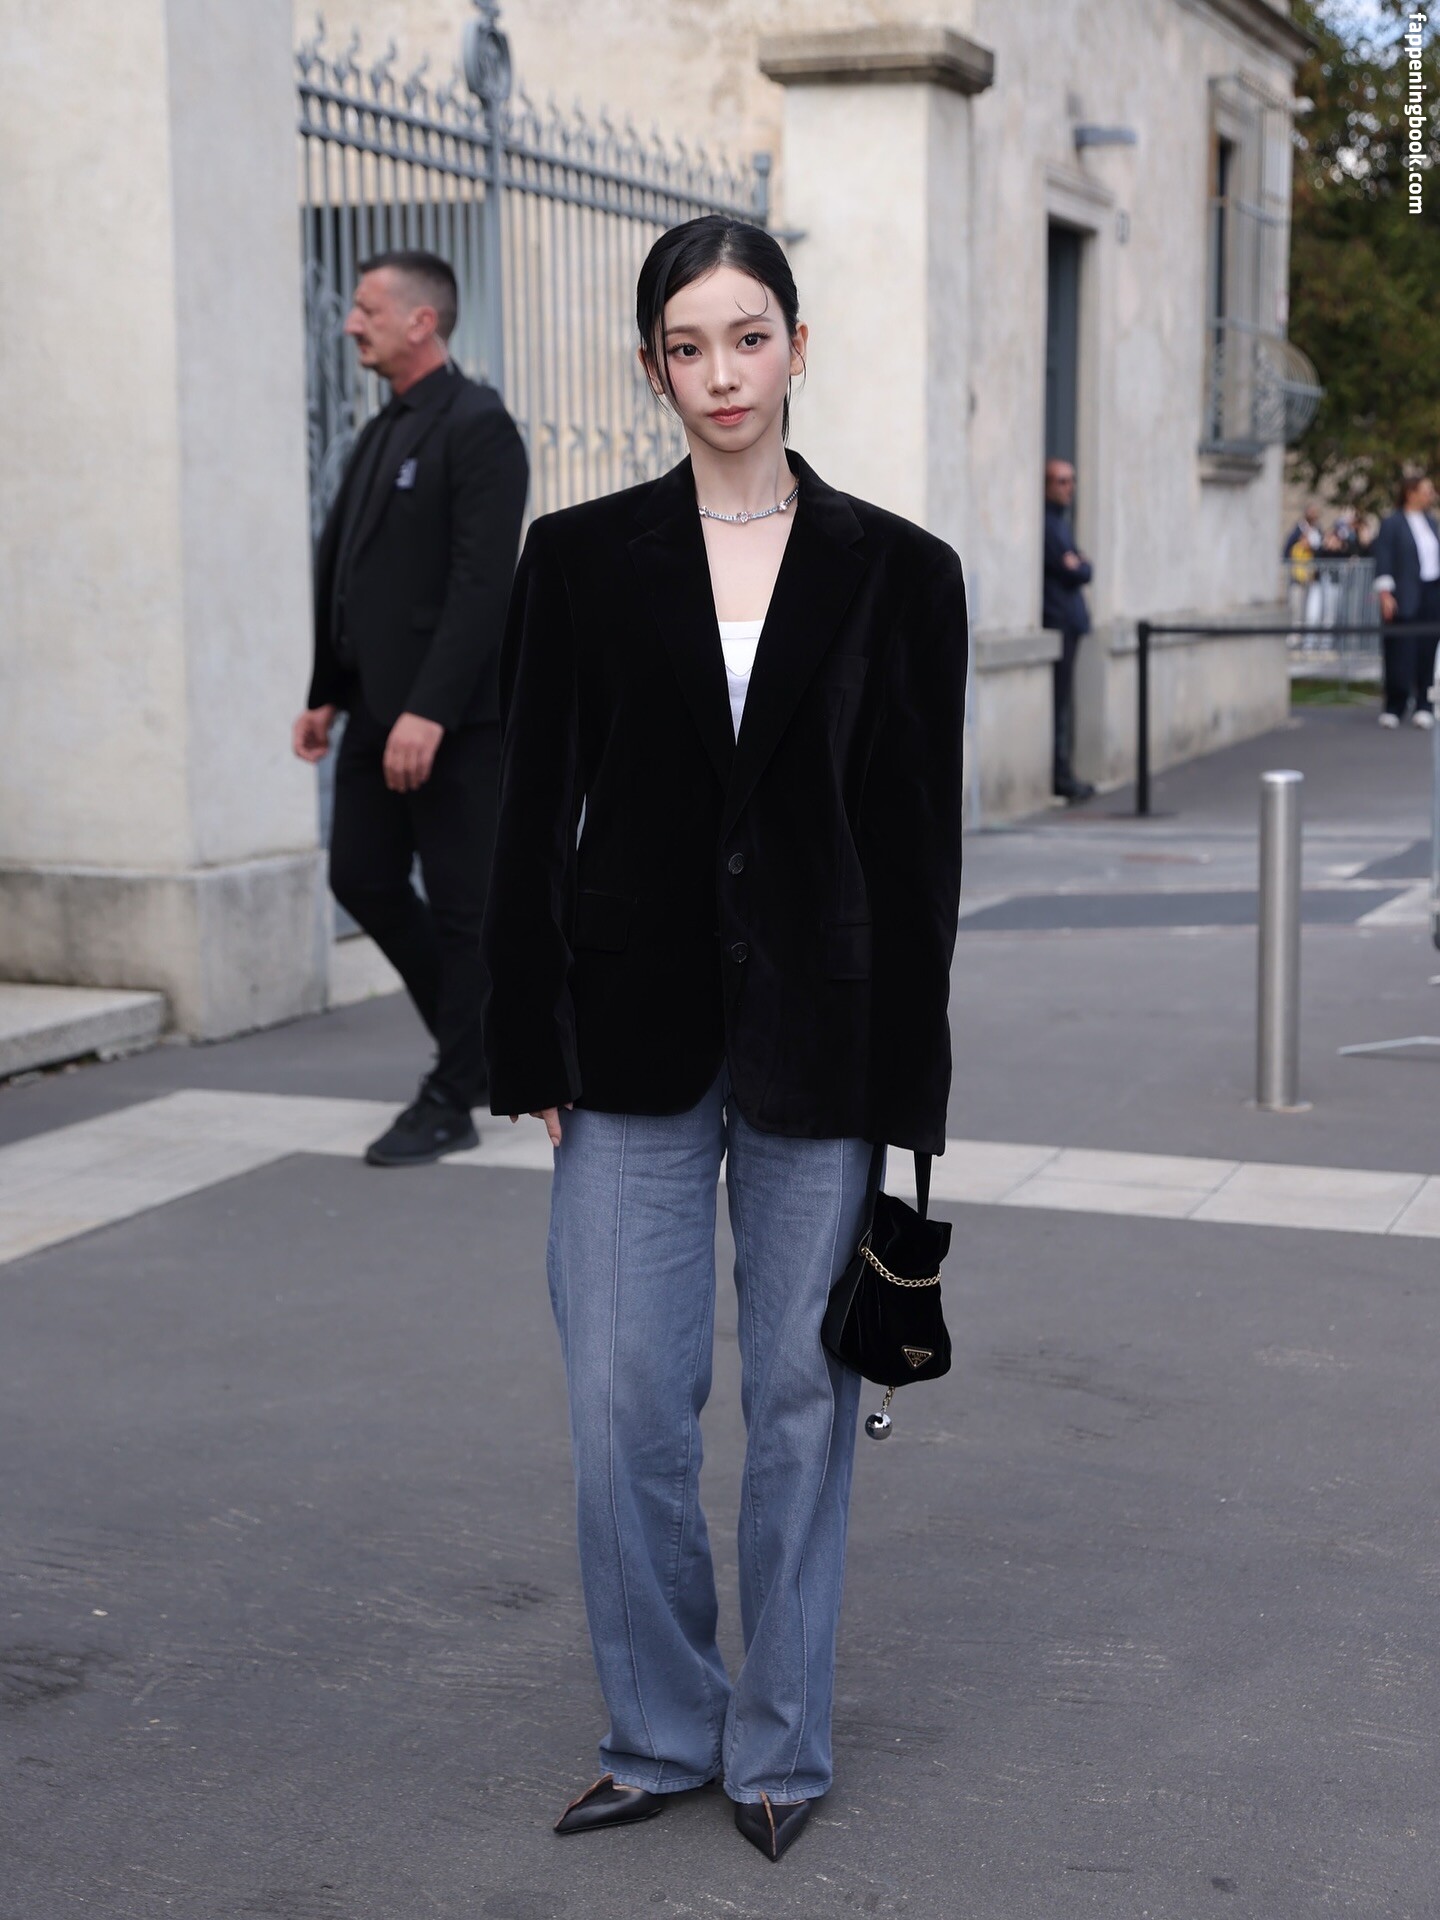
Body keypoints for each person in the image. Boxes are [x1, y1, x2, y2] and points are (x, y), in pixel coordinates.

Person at [480, 217, 967, 1861]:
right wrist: (526, 1038)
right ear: (653, 369)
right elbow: (528, 811)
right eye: (687, 348)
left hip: (823, 1036)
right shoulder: (578, 557)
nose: (721, 374)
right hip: (623, 1035)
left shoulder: (901, 572)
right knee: (624, 1399)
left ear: (797, 346)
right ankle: (660, 1725)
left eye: (748, 338)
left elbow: (917, 853)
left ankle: (779, 1743)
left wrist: (911, 1085)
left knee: (800, 1404)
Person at [293, 250, 529, 1164]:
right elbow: (349, 573)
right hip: (371, 712)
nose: (352, 322)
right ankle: (485, 1046)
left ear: (422, 321)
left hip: (452, 725)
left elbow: (482, 585)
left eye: (368, 308)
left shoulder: (478, 426)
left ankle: (451, 1095)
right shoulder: (383, 428)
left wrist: (429, 711)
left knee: (466, 910)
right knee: (361, 877)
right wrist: (326, 691)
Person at [1042, 459, 1096, 803]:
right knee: (1059, 704)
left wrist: (1079, 564)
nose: (1069, 487)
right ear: (1047, 485)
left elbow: (1085, 569)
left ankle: (1064, 772)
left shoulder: (1061, 524)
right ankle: (1060, 775)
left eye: (1071, 480)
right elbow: (1073, 571)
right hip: (1059, 620)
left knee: (1065, 703)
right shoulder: (1048, 525)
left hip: (1070, 621)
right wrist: (1077, 565)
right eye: (1061, 481)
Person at [1371, 466, 1440, 730]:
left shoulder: (1431, 522)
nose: (1431, 495)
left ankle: (1424, 705)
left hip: (1431, 593)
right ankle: (1395, 706)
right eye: (1426, 490)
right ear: (1411, 493)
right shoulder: (1393, 523)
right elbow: (1384, 557)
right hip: (1404, 596)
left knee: (1427, 650)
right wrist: (1385, 593)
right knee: (1400, 651)